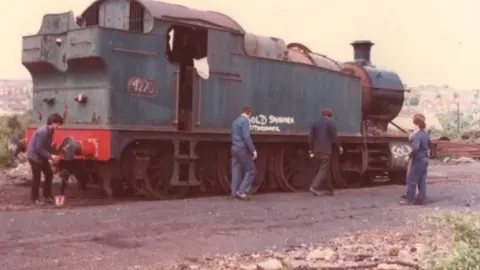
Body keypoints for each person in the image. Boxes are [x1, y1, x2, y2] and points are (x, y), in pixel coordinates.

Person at [27, 113, 63, 205]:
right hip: (34, 157)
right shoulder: (43, 132)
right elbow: (38, 148)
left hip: (41, 156)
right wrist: (51, 156)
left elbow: (45, 146)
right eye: (58, 124)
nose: (59, 126)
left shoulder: (50, 131)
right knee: (37, 178)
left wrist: (52, 154)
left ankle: (47, 196)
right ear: (52, 123)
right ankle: (34, 199)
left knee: (49, 174)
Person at [308, 108, 343, 196]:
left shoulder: (315, 123)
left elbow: (311, 138)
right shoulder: (331, 124)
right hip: (325, 151)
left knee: (325, 170)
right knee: (323, 169)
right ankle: (314, 187)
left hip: (316, 151)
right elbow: (335, 137)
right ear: (330, 116)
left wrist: (311, 150)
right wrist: (339, 147)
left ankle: (329, 189)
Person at [401, 115, 431, 205]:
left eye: (414, 124)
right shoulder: (425, 134)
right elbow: (430, 144)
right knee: (422, 180)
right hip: (425, 159)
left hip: (418, 159)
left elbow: (415, 148)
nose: (413, 126)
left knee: (412, 179)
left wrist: (409, 156)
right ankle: (422, 198)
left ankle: (409, 200)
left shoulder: (417, 135)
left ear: (417, 124)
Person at [230, 106, 257, 200]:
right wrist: (253, 150)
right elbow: (246, 137)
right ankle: (241, 192)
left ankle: (234, 192)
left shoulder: (236, 121)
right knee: (251, 170)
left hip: (234, 147)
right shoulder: (245, 121)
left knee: (236, 170)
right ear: (249, 113)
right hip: (242, 149)